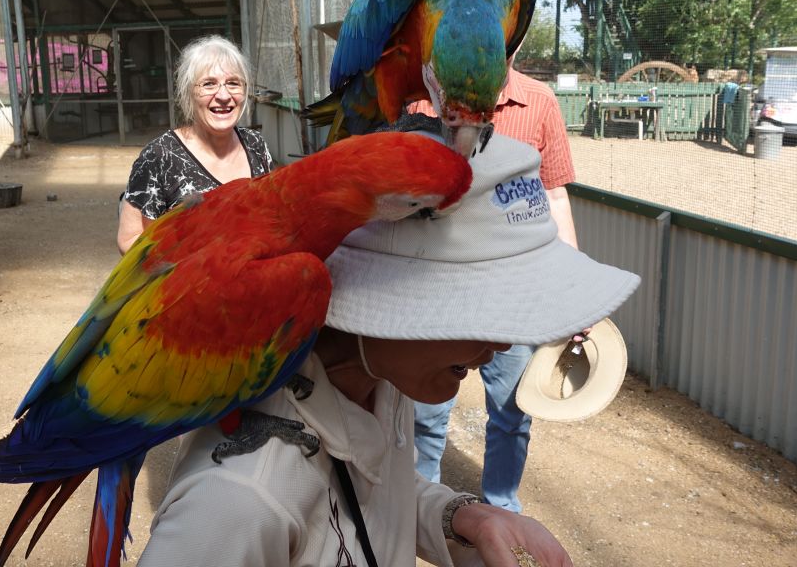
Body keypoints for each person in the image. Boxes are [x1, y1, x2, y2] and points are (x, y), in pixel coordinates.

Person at [137, 135, 639, 566]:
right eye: (481, 312)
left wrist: (462, 518)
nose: (504, 344)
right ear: (395, 299)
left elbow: (368, 494)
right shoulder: (239, 500)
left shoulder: (382, 378)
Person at [409, 62, 579, 511]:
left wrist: (572, 286)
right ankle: (419, 503)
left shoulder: (538, 101)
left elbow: (556, 194)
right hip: (441, 285)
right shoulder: (425, 97)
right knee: (425, 411)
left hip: (513, 289)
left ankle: (502, 507)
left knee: (511, 411)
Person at [117, 35, 273, 254]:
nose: (223, 95)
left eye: (233, 83)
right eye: (209, 84)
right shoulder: (160, 156)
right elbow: (129, 239)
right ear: (189, 93)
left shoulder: (255, 144)